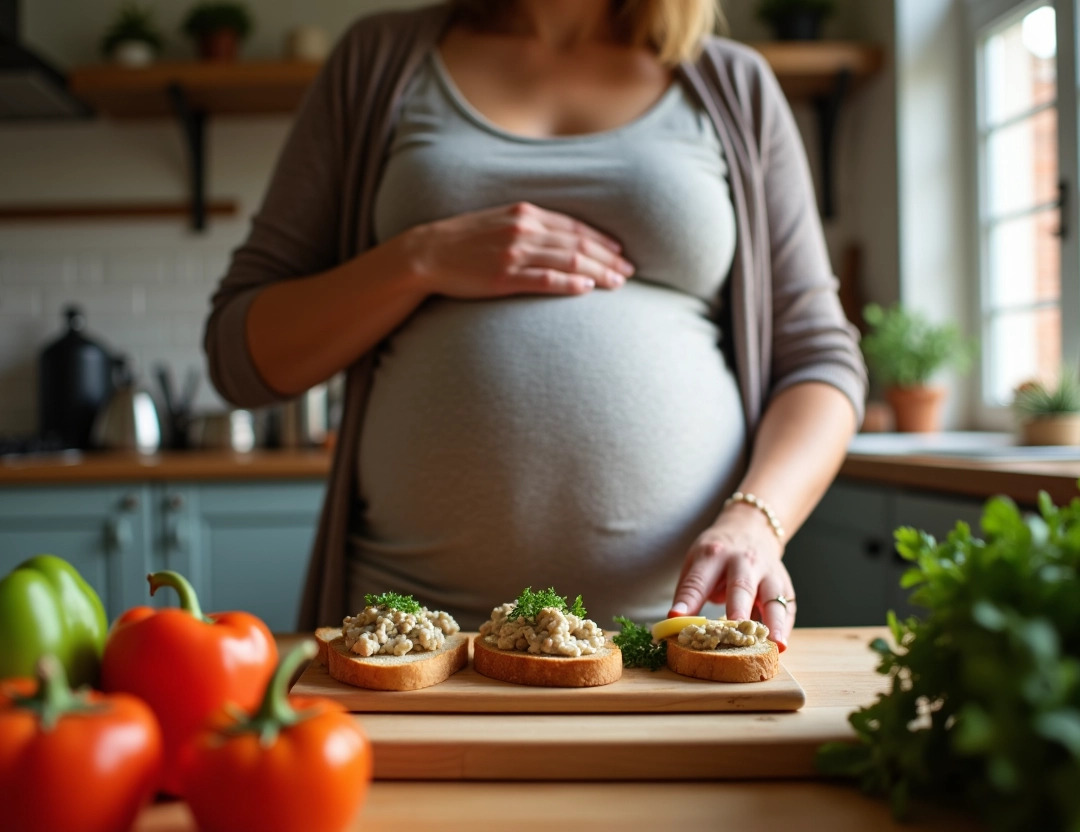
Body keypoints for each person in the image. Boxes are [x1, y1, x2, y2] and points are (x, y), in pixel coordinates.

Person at [204, 0, 866, 650]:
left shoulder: (733, 84)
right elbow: (240, 354)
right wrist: (420, 259)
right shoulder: (377, 62)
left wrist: (756, 523)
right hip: (409, 643)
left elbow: (820, 361)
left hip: (677, 634)